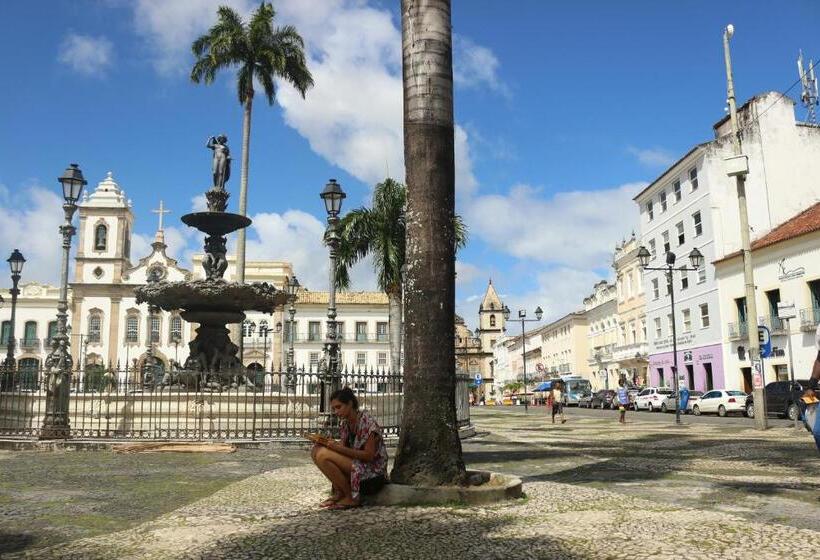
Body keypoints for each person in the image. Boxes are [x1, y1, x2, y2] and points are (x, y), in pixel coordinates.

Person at [311, 387, 388, 510]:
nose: (336, 412)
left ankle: (351, 497)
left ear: (350, 404)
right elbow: (342, 449)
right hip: (357, 465)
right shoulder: (346, 423)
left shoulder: (367, 423)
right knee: (316, 450)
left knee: (323, 455)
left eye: (339, 407)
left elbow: (368, 456)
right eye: (334, 409)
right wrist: (328, 443)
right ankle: (340, 493)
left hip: (372, 472)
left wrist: (336, 448)